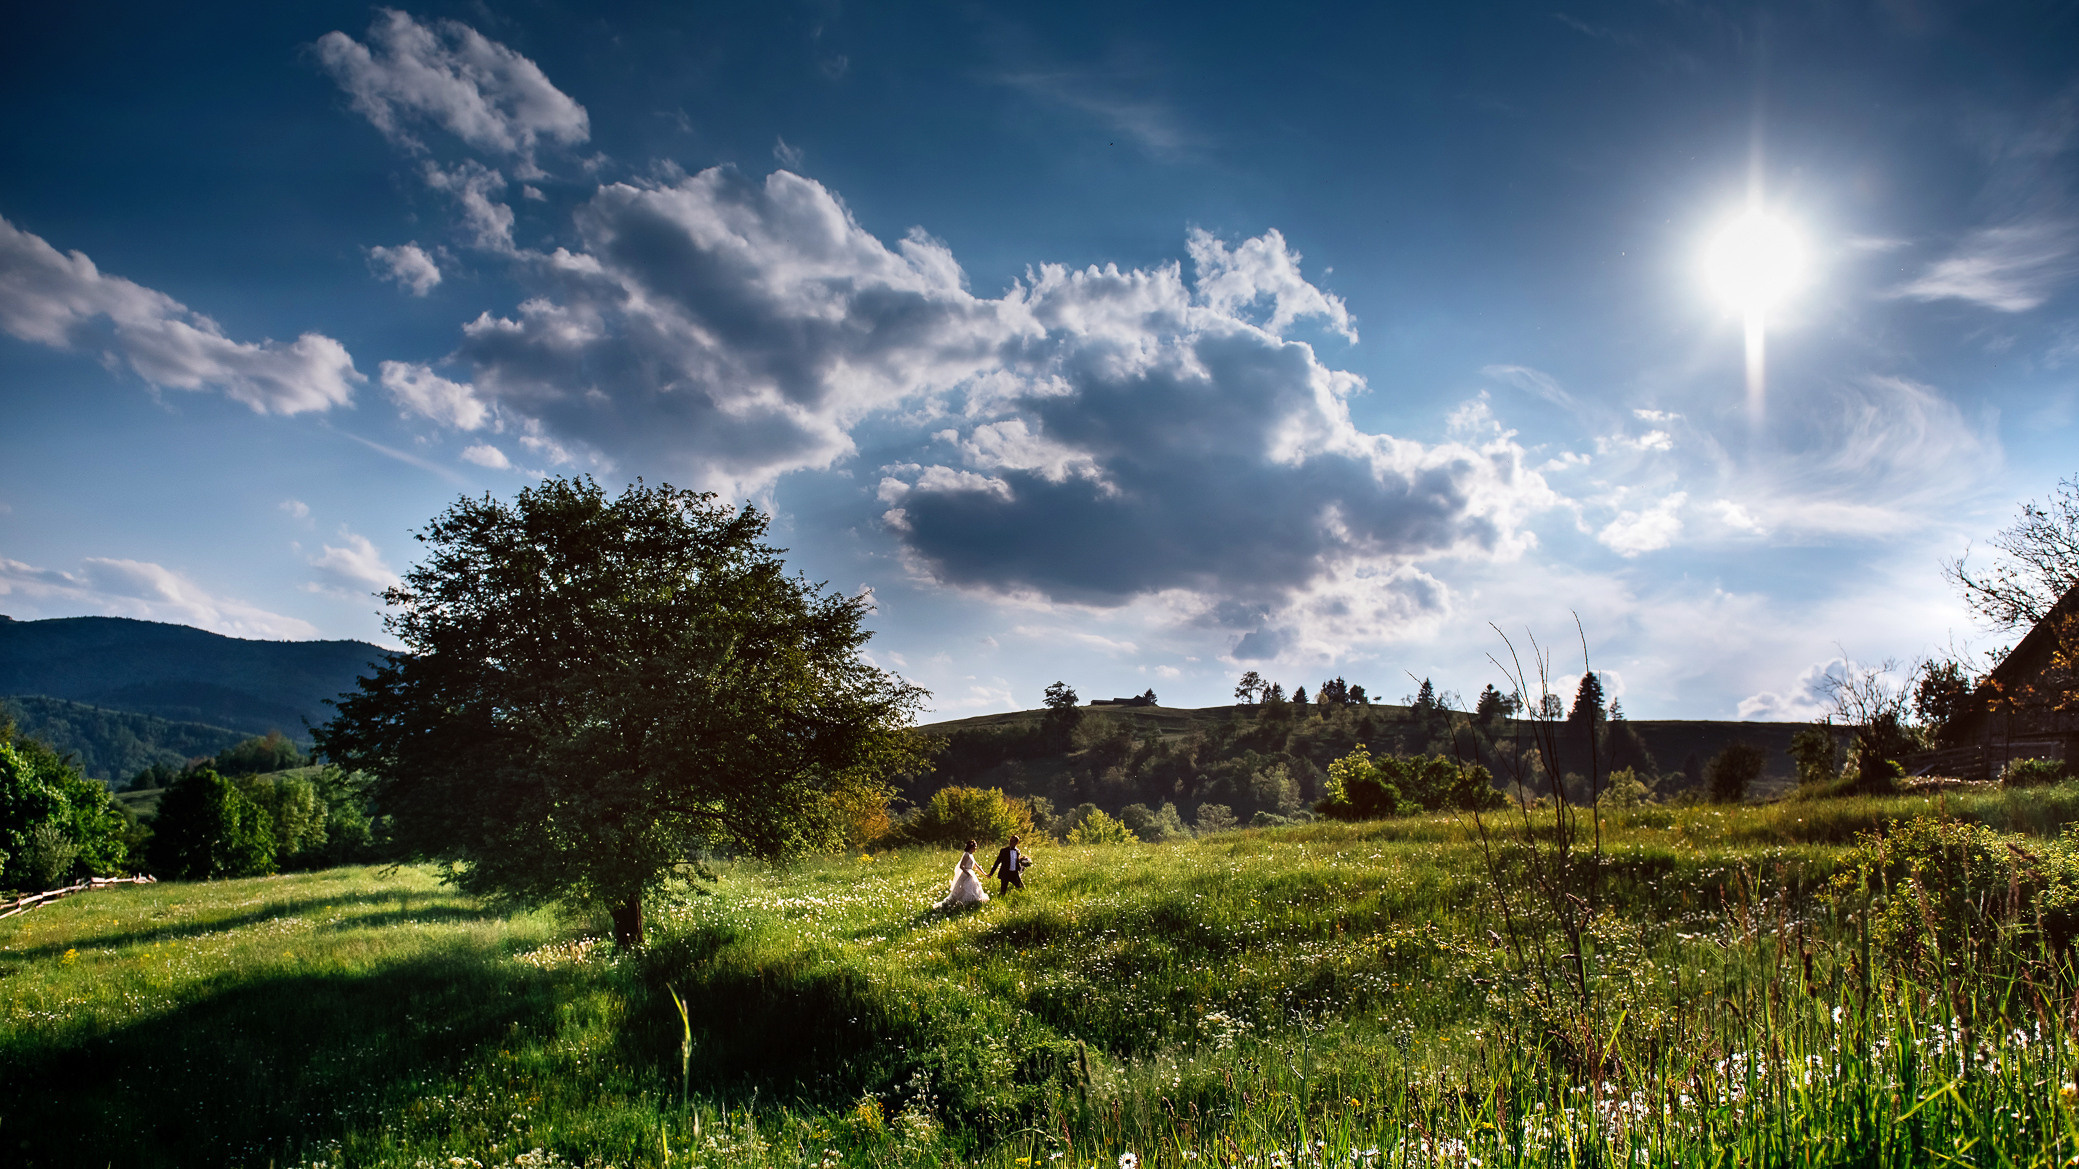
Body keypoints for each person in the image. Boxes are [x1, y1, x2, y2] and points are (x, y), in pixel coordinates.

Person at [934, 839, 990, 909]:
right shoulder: (966, 854)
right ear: (971, 847)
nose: (976, 848)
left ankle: (971, 903)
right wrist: (967, 873)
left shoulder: (971, 855)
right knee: (964, 889)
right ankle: (963, 903)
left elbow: (976, 866)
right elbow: (961, 866)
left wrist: (985, 874)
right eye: (975, 847)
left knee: (973, 888)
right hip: (966, 874)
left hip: (970, 874)